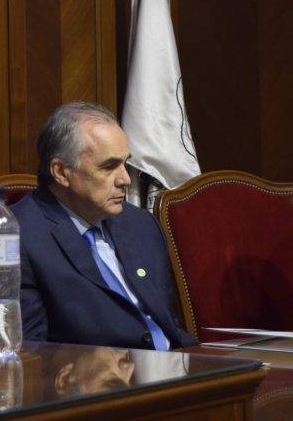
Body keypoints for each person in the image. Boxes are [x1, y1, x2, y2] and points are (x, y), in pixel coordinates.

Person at [12, 102, 196, 350]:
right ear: (61, 172)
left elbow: (168, 323)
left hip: (178, 369)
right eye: (109, 167)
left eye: (125, 163)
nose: (126, 179)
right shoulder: (18, 237)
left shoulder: (140, 224)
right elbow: (28, 353)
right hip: (103, 382)